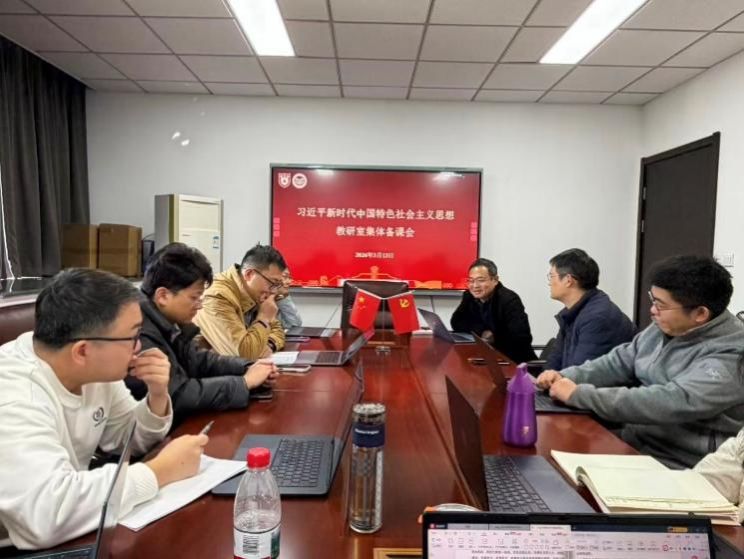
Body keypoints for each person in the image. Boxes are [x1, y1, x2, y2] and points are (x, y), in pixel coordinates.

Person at [0, 269, 207, 550]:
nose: (139, 347)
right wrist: (158, 472)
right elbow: (46, 514)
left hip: (72, 529)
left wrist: (157, 395)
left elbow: (128, 438)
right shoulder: (15, 396)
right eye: (132, 336)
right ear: (82, 351)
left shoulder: (93, 371)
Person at [537, 255, 744, 469]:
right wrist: (566, 376)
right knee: (549, 460)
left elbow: (671, 401)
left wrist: (579, 394)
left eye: (661, 305)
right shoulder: (667, 325)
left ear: (700, 313)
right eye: (653, 300)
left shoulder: (732, 354)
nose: (653, 310)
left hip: (682, 463)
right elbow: (619, 361)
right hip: (637, 442)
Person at [125, 243, 278, 428]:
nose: (199, 305)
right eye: (194, 297)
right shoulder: (137, 330)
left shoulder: (166, 319)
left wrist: (248, 366)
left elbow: (199, 360)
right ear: (163, 296)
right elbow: (175, 394)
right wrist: (244, 382)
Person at [545, 248, 636, 370]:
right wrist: (544, 379)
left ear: (568, 280)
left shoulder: (597, 318)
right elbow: (555, 360)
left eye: (551, 276)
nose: (549, 283)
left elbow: (582, 373)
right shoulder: (571, 313)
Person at [194, 244, 287, 360]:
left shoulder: (254, 292)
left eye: (277, 285)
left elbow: (277, 330)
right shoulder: (217, 296)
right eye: (272, 283)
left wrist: (269, 344)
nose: (274, 291)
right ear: (249, 274)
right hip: (200, 369)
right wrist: (264, 317)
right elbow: (242, 356)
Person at [450, 258, 536, 363]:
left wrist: (494, 336)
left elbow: (521, 338)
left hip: (513, 360)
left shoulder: (509, 299)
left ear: (495, 280)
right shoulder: (469, 296)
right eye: (471, 281)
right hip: (485, 356)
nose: (475, 286)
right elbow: (456, 322)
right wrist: (482, 331)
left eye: (481, 280)